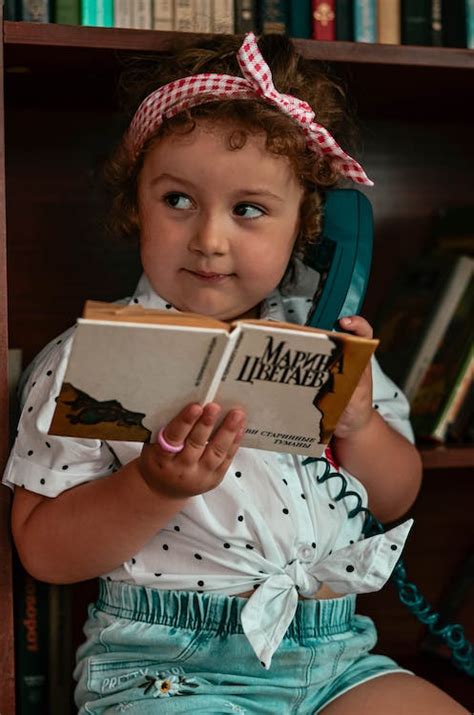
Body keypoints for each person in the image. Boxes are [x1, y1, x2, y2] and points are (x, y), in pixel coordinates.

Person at [3, 32, 468, 714]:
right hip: (168, 668)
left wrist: (361, 425)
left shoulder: (323, 346)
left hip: (331, 652)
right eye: (178, 201)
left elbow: (394, 497)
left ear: (306, 228)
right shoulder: (89, 358)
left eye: (248, 209)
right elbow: (41, 548)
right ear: (137, 205)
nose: (210, 238)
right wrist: (151, 487)